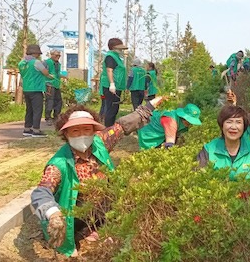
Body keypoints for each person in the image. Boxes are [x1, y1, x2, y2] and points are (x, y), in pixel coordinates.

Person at [30, 96, 165, 257]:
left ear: (94, 131)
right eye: (75, 131)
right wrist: (53, 213)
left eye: (87, 130)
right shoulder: (59, 164)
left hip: (103, 207)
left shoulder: (100, 143)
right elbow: (42, 191)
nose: (82, 135)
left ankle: (101, 228)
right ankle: (81, 233)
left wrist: (149, 106)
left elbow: (123, 126)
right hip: (76, 212)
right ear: (65, 134)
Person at [196, 105, 250, 181]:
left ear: (244, 126)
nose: (233, 127)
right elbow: (200, 178)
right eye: (229, 122)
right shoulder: (209, 149)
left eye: (238, 122)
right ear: (222, 125)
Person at [19, 44, 55, 138]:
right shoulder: (36, 62)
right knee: (37, 110)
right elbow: (45, 73)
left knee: (29, 110)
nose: (39, 55)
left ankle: (27, 129)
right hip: (36, 89)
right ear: (34, 53)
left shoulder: (22, 63)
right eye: (38, 53)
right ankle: (36, 130)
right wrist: (49, 75)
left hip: (26, 89)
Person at [138, 103, 202, 150]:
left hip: (162, 130)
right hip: (149, 130)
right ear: (183, 117)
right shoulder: (170, 121)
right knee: (150, 151)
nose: (190, 123)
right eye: (189, 121)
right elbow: (169, 144)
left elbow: (177, 134)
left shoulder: (183, 122)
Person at [100, 38, 128, 127]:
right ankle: (108, 129)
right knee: (111, 109)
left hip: (117, 87)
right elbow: (109, 70)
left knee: (114, 108)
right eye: (119, 48)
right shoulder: (110, 57)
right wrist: (112, 84)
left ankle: (111, 127)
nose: (121, 50)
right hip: (111, 87)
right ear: (113, 47)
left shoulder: (116, 57)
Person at [44, 50, 66, 125]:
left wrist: (64, 77)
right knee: (50, 101)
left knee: (59, 101)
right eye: (56, 55)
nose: (58, 57)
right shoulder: (47, 62)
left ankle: (56, 116)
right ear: (51, 55)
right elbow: (43, 72)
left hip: (56, 84)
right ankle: (48, 117)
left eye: (59, 56)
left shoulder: (58, 64)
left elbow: (57, 74)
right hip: (49, 84)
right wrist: (48, 75)